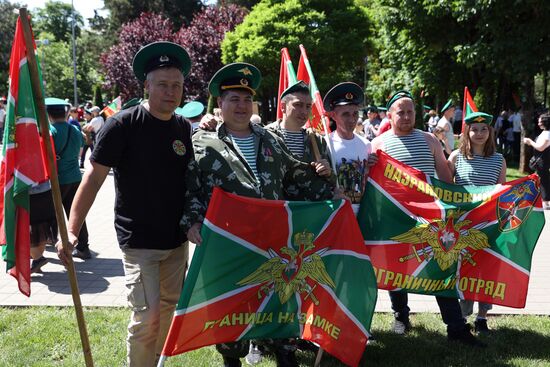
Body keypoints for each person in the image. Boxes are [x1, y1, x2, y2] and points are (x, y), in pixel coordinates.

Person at [182, 63, 335, 367]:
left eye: (245, 99)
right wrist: (193, 222)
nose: (240, 106)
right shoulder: (202, 142)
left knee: (278, 304)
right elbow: (190, 190)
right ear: (220, 104)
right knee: (231, 309)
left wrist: (325, 181)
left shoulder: (271, 140)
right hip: (228, 244)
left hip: (273, 243)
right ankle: (232, 359)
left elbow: (296, 178)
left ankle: (284, 353)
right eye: (233, 99)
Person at [56, 41, 194, 367]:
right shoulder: (122, 125)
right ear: (146, 86)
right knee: (147, 319)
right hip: (139, 241)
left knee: (169, 310)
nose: (171, 91)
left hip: (176, 241)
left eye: (177, 85)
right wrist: (72, 230)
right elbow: (92, 178)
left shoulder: (183, 127)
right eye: (162, 84)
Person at [371, 90, 484, 347]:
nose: (407, 116)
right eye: (401, 112)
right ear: (390, 115)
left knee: (440, 269)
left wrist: (455, 206)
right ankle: (401, 315)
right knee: (395, 269)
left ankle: (455, 326)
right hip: (394, 219)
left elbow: (445, 178)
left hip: (430, 219)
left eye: (411, 111)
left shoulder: (430, 140)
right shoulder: (378, 144)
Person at [448, 112, 506, 332]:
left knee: (486, 271)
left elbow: (501, 192)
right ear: (467, 132)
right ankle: (462, 316)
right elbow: (445, 188)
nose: (479, 134)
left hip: (489, 226)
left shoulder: (499, 159)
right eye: (474, 129)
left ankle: (482, 317)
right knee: (463, 270)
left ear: (490, 132)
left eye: (484, 129)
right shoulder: (455, 157)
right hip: (462, 226)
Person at [265, 80, 333, 199]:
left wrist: (328, 172)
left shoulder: (317, 140)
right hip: (280, 211)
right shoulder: (266, 136)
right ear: (283, 107)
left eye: (308, 106)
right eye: (298, 105)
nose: (304, 111)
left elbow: (331, 182)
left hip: (311, 212)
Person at [45, 97, 91, 260]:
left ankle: (53, 240)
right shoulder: (75, 129)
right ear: (65, 113)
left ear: (49, 114)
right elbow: (80, 151)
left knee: (52, 212)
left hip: (58, 180)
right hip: (75, 177)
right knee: (77, 214)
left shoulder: (50, 131)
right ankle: (84, 248)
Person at [324, 82, 373, 214]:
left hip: (362, 214)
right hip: (335, 214)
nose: (352, 120)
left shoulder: (366, 144)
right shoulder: (325, 143)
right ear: (333, 115)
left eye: (355, 114)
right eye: (345, 114)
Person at [524, 112, 550, 209]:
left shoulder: (547, 134)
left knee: (543, 179)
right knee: (541, 179)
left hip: (543, 159)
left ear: (545, 122)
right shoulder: (545, 132)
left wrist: (530, 142)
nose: (538, 123)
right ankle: (541, 199)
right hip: (540, 160)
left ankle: (546, 201)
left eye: (540, 122)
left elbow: (541, 148)